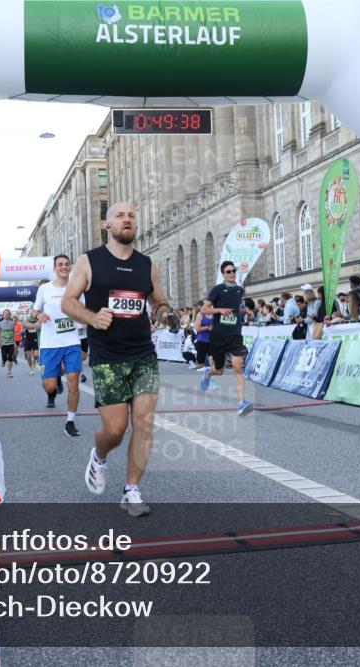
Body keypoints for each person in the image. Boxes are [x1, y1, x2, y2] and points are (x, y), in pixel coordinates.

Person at [62, 202, 177, 517]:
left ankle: (131, 490)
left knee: (143, 423)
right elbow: (68, 302)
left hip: (142, 353)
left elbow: (159, 300)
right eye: (120, 216)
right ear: (107, 225)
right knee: (115, 429)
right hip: (107, 355)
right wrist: (91, 316)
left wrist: (166, 313)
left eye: (132, 216)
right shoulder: (89, 261)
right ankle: (99, 458)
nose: (127, 220)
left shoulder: (146, 264)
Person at [29, 254, 84, 436]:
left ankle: (70, 421)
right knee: (49, 386)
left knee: (74, 382)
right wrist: (39, 316)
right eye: (60, 264)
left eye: (67, 264)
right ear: (54, 269)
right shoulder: (44, 289)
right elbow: (34, 311)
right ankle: (53, 389)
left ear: (70, 267)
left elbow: (83, 311)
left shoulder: (77, 288)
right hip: (50, 343)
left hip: (71, 342)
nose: (64, 267)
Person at [199, 260, 254, 416]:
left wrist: (245, 312)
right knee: (219, 370)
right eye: (228, 271)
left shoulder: (239, 290)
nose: (232, 274)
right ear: (223, 274)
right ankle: (208, 374)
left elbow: (236, 310)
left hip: (235, 335)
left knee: (238, 366)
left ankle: (242, 402)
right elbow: (204, 310)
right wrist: (219, 310)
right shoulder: (217, 290)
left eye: (234, 271)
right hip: (218, 336)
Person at [193, 302, 214, 372]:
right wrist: (207, 328)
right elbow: (197, 328)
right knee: (200, 365)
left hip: (212, 340)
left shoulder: (214, 315)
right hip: (202, 340)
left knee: (212, 362)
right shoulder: (200, 315)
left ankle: (211, 375)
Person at [0, 310, 16, 378]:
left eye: (8, 314)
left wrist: (15, 342)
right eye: (5, 313)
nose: (6, 315)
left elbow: (14, 333)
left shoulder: (13, 323)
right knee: (4, 357)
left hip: (11, 343)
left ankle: (9, 372)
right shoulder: (0, 324)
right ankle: (3, 360)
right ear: (3, 315)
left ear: (10, 315)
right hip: (3, 344)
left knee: (10, 358)